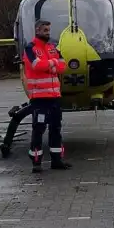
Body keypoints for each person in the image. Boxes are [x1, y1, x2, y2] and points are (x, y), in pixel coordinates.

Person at [22, 19, 72, 172]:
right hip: (39, 98)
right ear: (37, 30)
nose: (48, 33)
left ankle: (56, 160)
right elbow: (37, 65)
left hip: (54, 97)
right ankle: (36, 162)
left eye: (49, 30)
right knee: (39, 129)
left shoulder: (52, 48)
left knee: (56, 128)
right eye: (45, 30)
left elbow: (63, 66)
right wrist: (53, 64)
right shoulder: (30, 48)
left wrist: (50, 63)